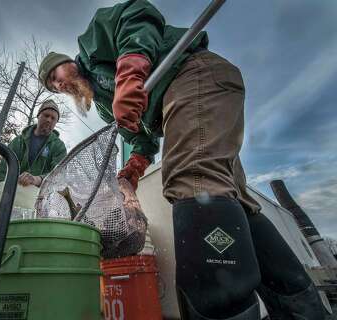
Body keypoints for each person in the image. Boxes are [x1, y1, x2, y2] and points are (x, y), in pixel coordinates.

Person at [37, 0, 325, 319]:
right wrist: (131, 171)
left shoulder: (91, 47)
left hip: (192, 75)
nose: (58, 83)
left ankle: (219, 305)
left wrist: (131, 73)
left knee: (192, 179)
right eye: (52, 85)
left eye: (55, 73)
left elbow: (136, 14)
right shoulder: (105, 105)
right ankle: (302, 310)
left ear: (67, 61)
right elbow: (141, 138)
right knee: (234, 200)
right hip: (177, 105)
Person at [0, 99, 67, 187]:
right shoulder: (18, 141)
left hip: (38, 197)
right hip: (12, 192)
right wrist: (2, 189)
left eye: (53, 118)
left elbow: (59, 173)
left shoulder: (59, 147)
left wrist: (38, 179)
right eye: (46, 115)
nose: (49, 120)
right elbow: (4, 168)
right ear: (38, 115)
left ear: (56, 122)